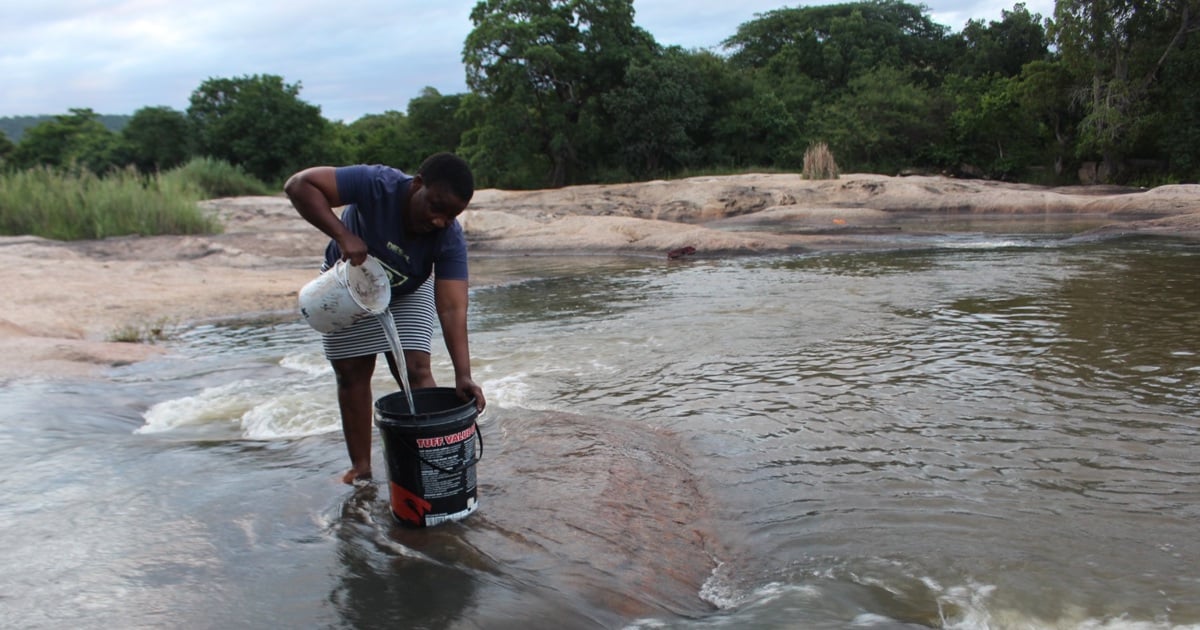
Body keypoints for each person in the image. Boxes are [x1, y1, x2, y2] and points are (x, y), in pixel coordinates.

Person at [284, 153, 486, 484]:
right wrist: (342, 235)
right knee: (351, 374)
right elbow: (299, 185)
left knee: (416, 371)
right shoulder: (377, 184)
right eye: (436, 207)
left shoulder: (449, 237)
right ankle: (361, 469)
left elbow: (452, 308)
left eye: (451, 216)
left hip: (407, 291)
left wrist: (463, 375)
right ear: (417, 184)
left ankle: (432, 468)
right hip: (348, 283)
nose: (440, 221)